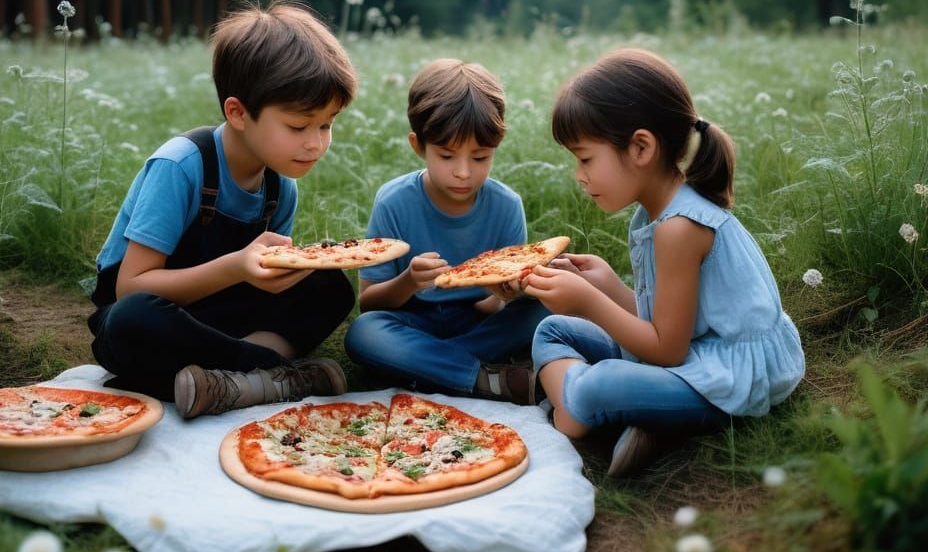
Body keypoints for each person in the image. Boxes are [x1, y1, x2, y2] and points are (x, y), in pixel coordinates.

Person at [522, 47, 805, 477]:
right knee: (552, 328)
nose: (579, 175)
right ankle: (629, 413)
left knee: (604, 383)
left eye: (585, 158)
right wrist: (605, 286)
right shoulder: (655, 211)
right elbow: (665, 323)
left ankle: (586, 409)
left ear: (640, 147)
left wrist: (588, 302)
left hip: (729, 376)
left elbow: (667, 350)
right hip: (694, 350)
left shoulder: (680, 227)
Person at [87, 0, 359, 419]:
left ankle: (225, 380)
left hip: (218, 317)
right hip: (155, 311)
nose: (316, 143)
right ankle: (272, 373)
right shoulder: (181, 166)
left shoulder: (280, 187)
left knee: (331, 287)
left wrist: (281, 271)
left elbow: (256, 285)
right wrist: (236, 267)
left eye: (327, 124)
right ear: (238, 112)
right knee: (132, 321)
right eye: (298, 126)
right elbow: (131, 287)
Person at [344, 58, 550, 404]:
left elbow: (493, 307)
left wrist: (498, 293)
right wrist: (409, 280)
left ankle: (429, 368)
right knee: (364, 334)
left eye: (480, 157)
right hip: (413, 321)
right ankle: (482, 378)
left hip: (477, 323)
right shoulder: (394, 201)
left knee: (545, 309)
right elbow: (369, 303)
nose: (463, 173)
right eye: (447, 156)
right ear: (418, 146)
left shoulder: (507, 205)